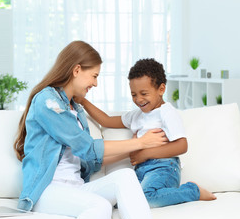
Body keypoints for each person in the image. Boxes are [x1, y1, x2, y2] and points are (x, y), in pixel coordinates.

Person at [13, 41, 166, 219]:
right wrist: (141, 142)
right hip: (47, 191)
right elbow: (86, 147)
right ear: (77, 70)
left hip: (75, 189)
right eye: (94, 76)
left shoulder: (76, 109)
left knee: (125, 176)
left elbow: (91, 160)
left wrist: (135, 151)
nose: (95, 83)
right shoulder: (47, 101)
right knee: (100, 207)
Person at [79, 58, 216, 208]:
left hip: (164, 168)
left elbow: (182, 145)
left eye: (144, 93)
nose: (138, 99)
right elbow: (106, 120)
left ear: (161, 89)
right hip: (141, 170)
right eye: (134, 95)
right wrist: (83, 101)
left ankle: (192, 191)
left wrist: (144, 154)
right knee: (120, 201)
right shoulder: (136, 116)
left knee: (144, 198)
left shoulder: (166, 112)